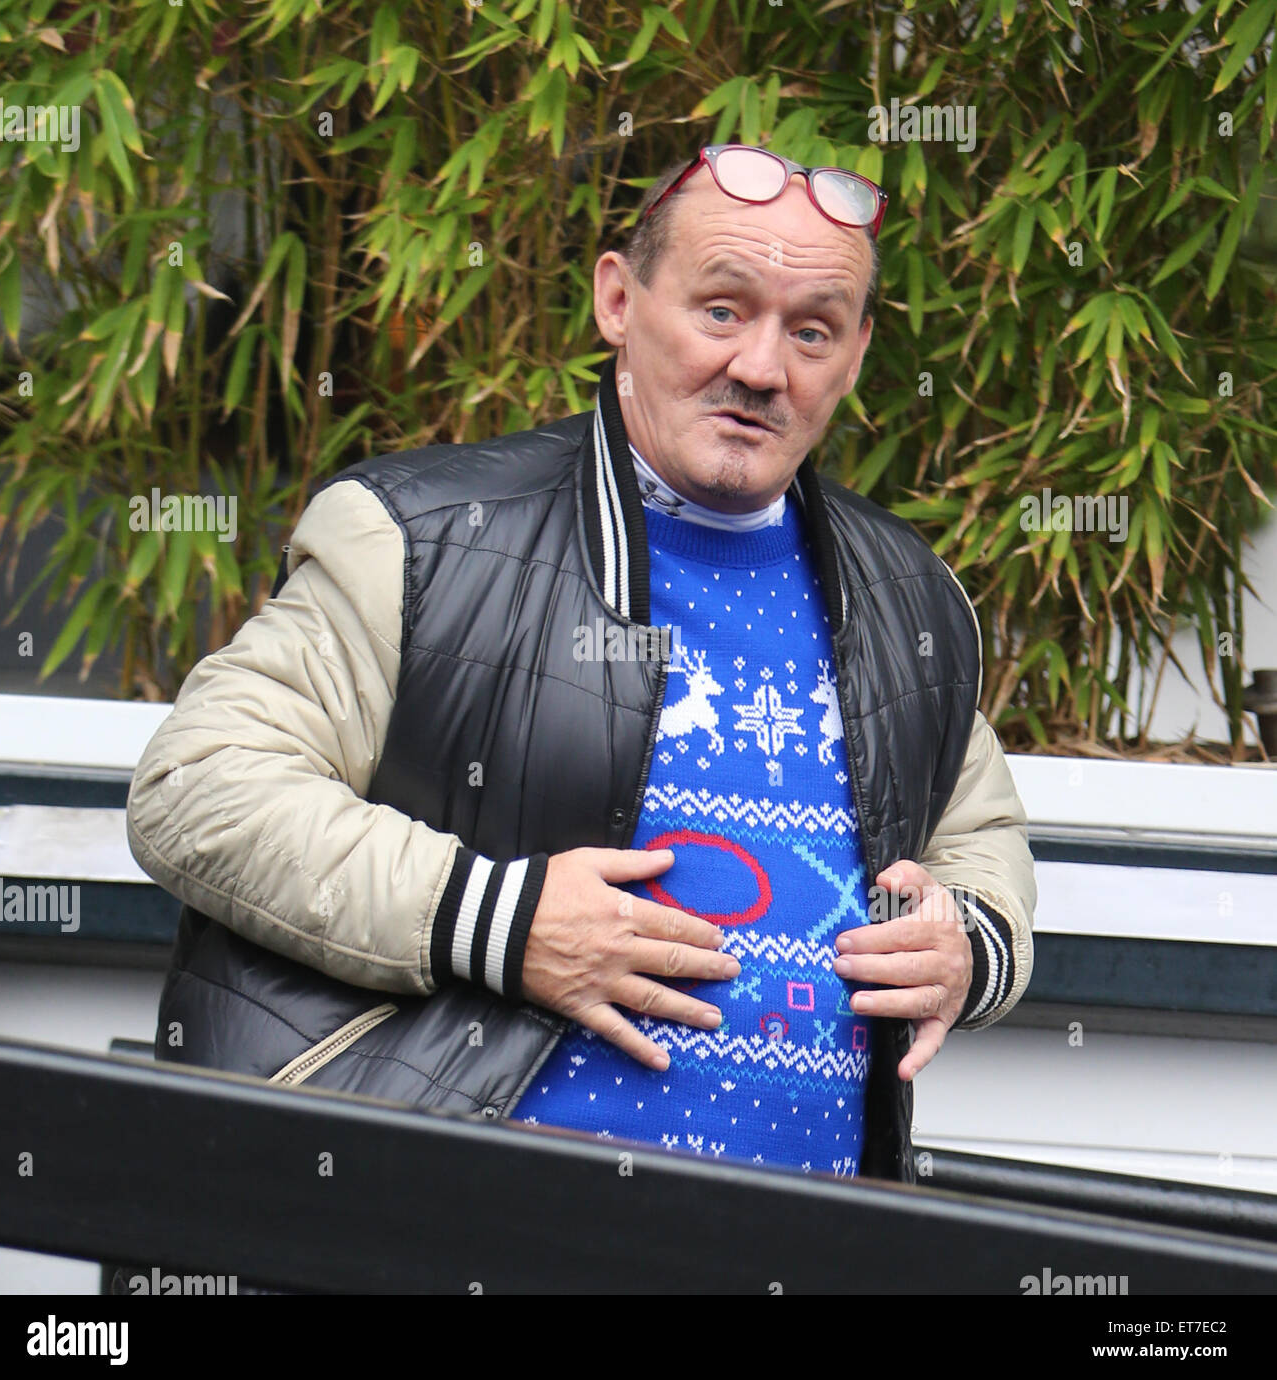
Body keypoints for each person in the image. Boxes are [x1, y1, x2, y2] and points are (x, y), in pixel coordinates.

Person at [127, 142, 1036, 1186]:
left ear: (859, 354)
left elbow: (979, 843)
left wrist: (964, 948)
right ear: (617, 299)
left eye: (812, 330)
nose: (760, 367)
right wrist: (499, 920)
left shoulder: (908, 598)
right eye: (722, 309)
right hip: (443, 1227)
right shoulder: (426, 539)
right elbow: (199, 787)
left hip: (795, 1249)